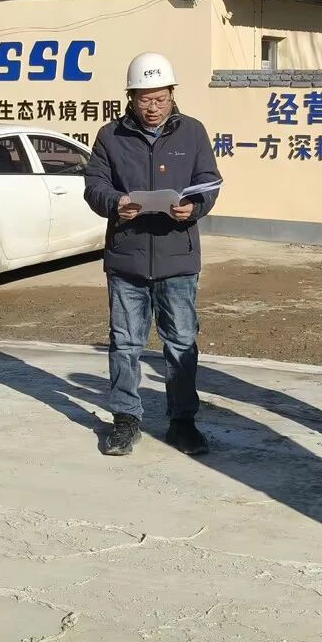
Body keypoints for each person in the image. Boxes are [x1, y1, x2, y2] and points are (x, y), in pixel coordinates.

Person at [84, 52, 222, 458]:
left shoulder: (192, 132)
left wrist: (193, 208)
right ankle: (125, 420)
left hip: (177, 257)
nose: (153, 106)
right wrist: (115, 202)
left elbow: (209, 181)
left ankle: (183, 422)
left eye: (160, 98)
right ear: (130, 97)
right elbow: (94, 184)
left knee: (180, 343)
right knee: (125, 343)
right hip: (127, 257)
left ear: (172, 94)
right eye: (145, 98)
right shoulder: (110, 136)